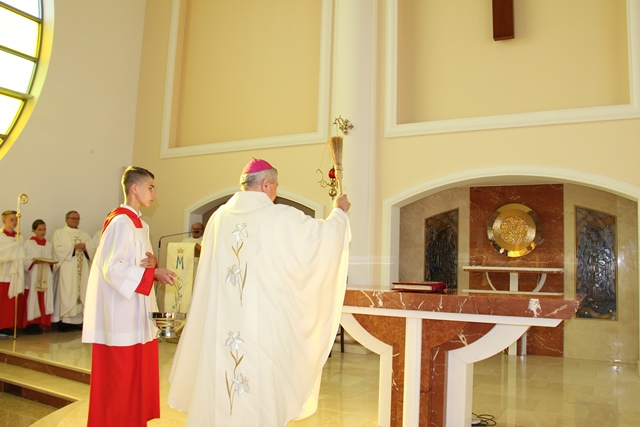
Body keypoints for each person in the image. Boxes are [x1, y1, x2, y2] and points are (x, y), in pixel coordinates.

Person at [167, 158, 351, 426]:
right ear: (266, 184)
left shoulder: (218, 218)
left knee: (221, 378)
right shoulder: (279, 216)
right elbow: (319, 239)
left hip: (219, 325)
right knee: (259, 382)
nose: (275, 192)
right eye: (275, 185)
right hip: (263, 324)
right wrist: (339, 212)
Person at [82, 166, 177, 426]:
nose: (154, 194)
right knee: (120, 377)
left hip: (137, 314)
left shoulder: (141, 224)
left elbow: (135, 261)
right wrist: (152, 274)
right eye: (150, 187)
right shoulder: (120, 222)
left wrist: (151, 263)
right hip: (121, 315)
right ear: (134, 188)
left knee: (136, 375)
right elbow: (112, 267)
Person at [51, 210, 95, 331]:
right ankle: (64, 322)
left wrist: (86, 248)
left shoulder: (84, 234)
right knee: (67, 293)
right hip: (67, 271)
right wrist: (73, 248)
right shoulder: (59, 233)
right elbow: (57, 249)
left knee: (82, 293)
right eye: (73, 218)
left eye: (77, 218)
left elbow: (92, 249)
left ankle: (78, 322)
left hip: (82, 271)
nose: (75, 220)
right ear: (66, 219)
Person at [22, 219, 56, 334]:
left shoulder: (48, 244)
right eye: (40, 229)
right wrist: (33, 262)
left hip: (45, 273)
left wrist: (51, 263)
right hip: (33, 274)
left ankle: (42, 323)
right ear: (34, 230)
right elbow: (25, 260)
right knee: (33, 298)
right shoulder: (29, 243)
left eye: (44, 229)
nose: (42, 232)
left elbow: (51, 258)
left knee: (44, 298)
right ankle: (31, 324)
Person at [0, 210, 25, 337]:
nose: (14, 222)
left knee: (10, 302)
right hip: (2, 272)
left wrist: (16, 247)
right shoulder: (1, 236)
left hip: (14, 273)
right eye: (11, 219)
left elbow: (23, 253)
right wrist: (14, 248)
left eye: (16, 219)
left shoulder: (19, 237)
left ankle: (8, 326)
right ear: (3, 221)